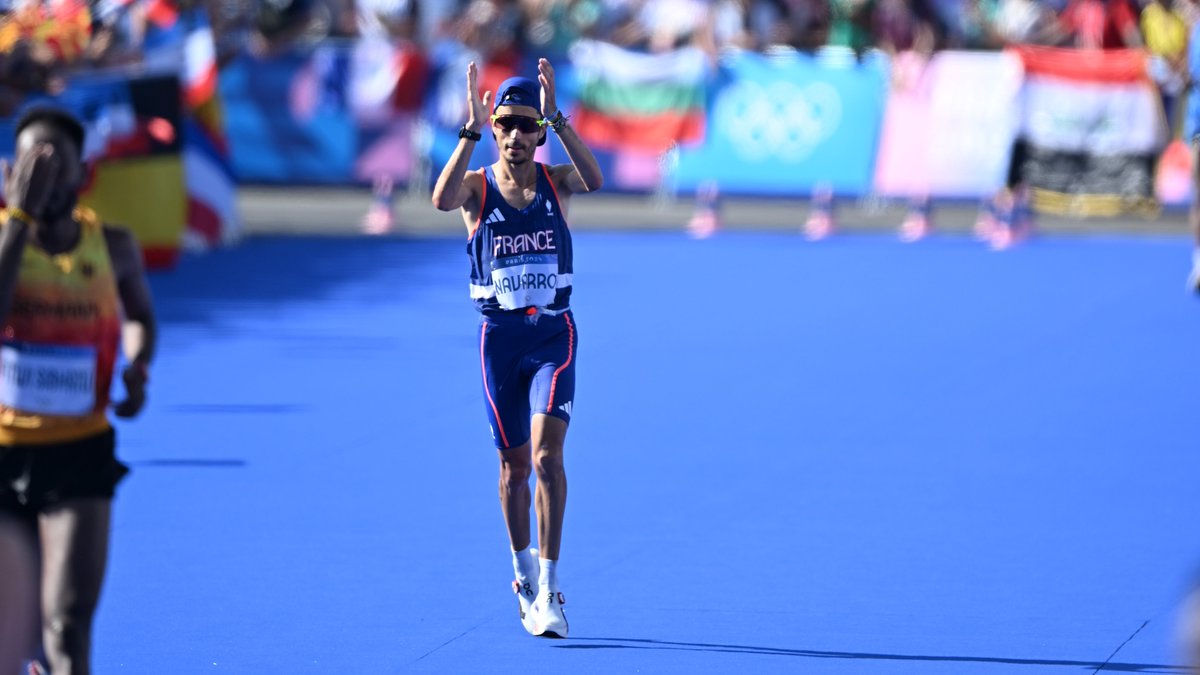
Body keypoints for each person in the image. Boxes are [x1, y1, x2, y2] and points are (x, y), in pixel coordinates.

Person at [431, 58, 602, 638]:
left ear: (537, 133)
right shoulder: (477, 189)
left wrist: (559, 118)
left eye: (526, 127)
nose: (515, 137)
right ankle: (523, 571)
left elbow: (595, 178)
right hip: (500, 341)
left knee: (548, 456)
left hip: (555, 333)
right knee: (512, 469)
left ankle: (551, 588)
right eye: (505, 126)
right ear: (496, 131)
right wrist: (468, 132)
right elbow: (440, 198)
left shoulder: (556, 182)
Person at [0, 105, 156, 674]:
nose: (40, 175)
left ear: (80, 172)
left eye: (52, 163)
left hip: (80, 449)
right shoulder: (3, 239)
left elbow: (139, 315)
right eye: (26, 164)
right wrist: (20, 215)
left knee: (66, 622)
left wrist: (138, 365)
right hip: (4, 448)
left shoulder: (112, 245)